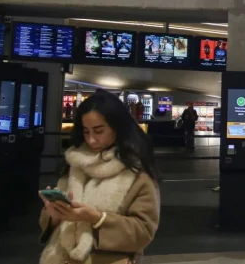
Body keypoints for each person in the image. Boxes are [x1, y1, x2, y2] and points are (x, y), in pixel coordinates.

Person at [39, 90, 160, 264]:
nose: (91, 140)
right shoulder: (76, 163)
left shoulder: (137, 173)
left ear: (117, 128)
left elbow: (143, 232)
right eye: (86, 132)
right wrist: (55, 214)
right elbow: (51, 226)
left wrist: (97, 218)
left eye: (98, 131)